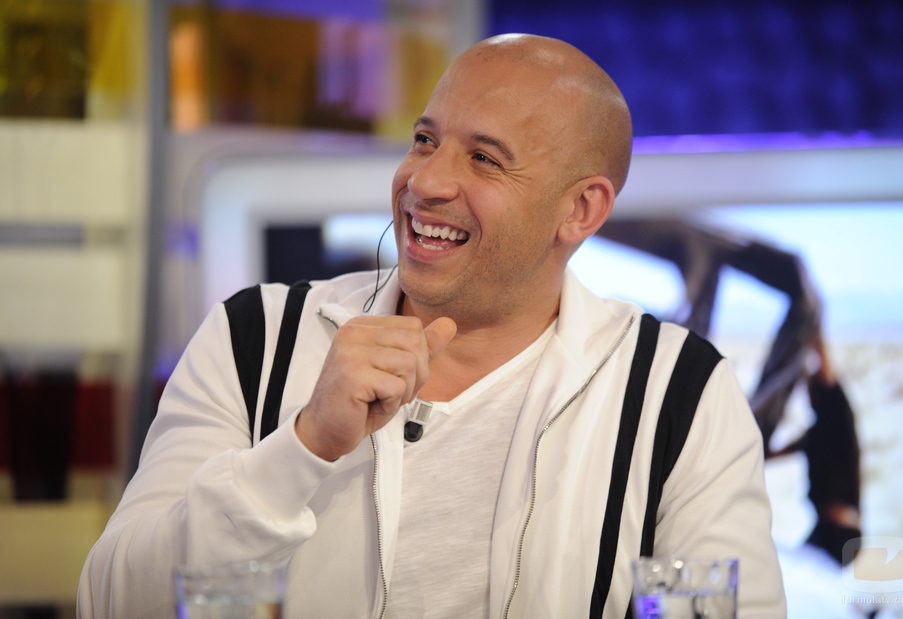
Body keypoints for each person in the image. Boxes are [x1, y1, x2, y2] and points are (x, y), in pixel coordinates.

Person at [79, 34, 786, 617]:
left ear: (580, 210)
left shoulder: (677, 392)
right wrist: (303, 448)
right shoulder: (255, 339)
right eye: (424, 139)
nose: (425, 182)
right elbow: (111, 601)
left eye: (483, 158)